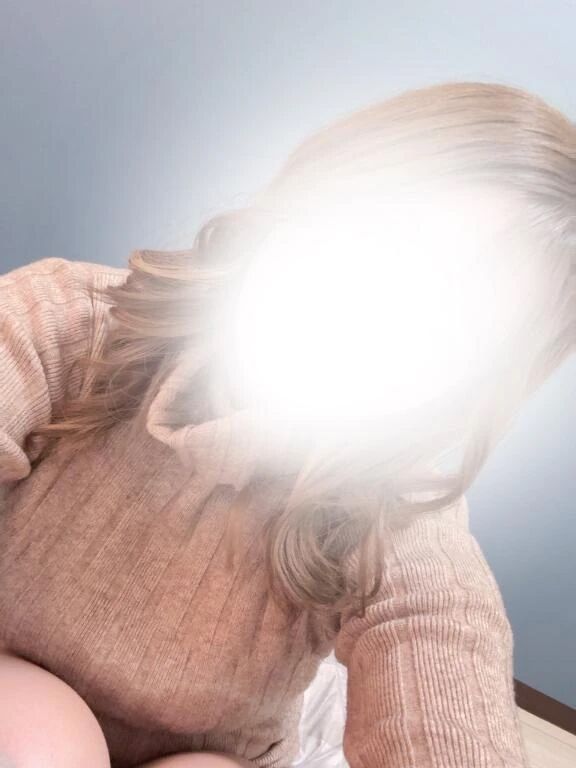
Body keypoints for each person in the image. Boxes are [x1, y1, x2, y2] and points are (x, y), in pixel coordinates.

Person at [1, 80, 574, 768]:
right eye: (385, 233)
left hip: (212, 753)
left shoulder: (399, 513)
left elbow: (443, 646)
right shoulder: (74, 321)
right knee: (37, 730)